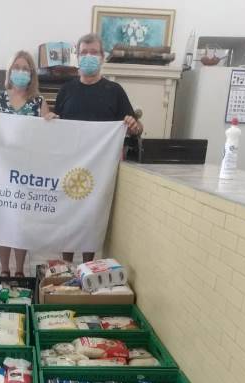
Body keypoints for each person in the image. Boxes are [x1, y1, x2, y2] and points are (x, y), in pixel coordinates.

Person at [54, 32, 143, 265]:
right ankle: (66, 267)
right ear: (77, 56)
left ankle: (87, 267)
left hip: (100, 170)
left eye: (93, 52)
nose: (88, 56)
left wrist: (134, 125)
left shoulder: (114, 91)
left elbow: (135, 127)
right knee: (68, 217)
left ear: (102, 57)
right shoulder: (66, 91)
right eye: (84, 52)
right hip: (70, 166)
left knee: (92, 218)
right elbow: (56, 127)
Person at [0, 51, 52, 278]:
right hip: (0, 170)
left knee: (20, 222)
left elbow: (47, 134)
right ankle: (5, 269)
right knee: (3, 220)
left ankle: (20, 270)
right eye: (17, 67)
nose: (21, 72)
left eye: (26, 68)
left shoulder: (39, 102)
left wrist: (51, 122)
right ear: (10, 71)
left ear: (32, 73)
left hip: (25, 172)